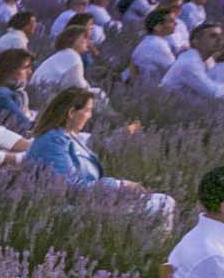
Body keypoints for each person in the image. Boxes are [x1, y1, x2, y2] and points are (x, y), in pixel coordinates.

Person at [23, 89, 175, 226]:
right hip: (73, 210)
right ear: (71, 113)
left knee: (162, 201)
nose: (90, 116)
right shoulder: (54, 140)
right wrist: (119, 185)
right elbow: (69, 187)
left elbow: (101, 144)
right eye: (87, 110)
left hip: (90, 201)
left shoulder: (68, 136)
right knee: (163, 204)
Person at [0, 49, 36, 134]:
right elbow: (25, 123)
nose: (30, 72)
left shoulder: (15, 93)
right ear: (10, 70)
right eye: (25, 68)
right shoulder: (0, 94)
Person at [30, 25, 94, 95]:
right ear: (73, 39)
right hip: (47, 97)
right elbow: (78, 85)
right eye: (85, 37)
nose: (88, 41)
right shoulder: (72, 56)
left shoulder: (63, 54)